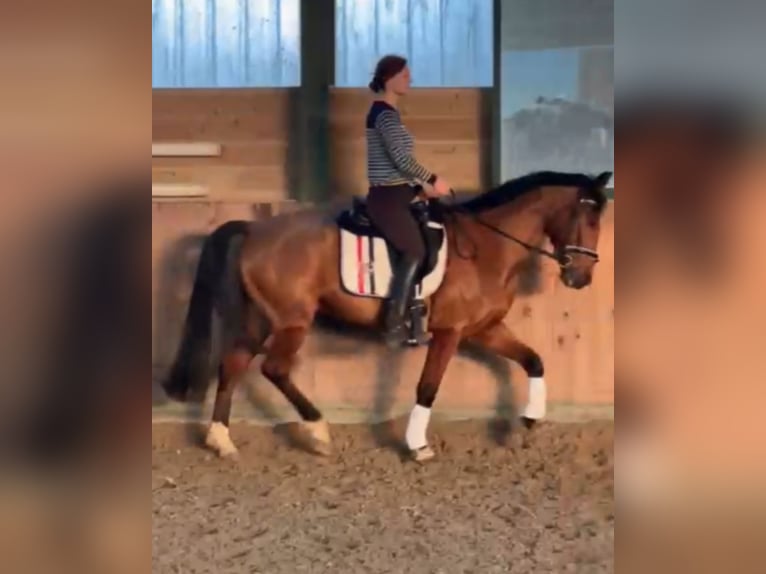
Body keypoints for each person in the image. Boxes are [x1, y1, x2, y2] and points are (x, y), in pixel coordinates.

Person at [365, 54, 452, 347]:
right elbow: (401, 160)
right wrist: (432, 178)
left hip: (400, 193)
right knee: (413, 249)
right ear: (389, 79)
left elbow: (399, 166)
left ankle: (415, 315)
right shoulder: (384, 115)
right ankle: (392, 323)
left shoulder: (391, 114)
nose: (409, 79)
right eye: (404, 75)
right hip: (386, 198)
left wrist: (420, 190)